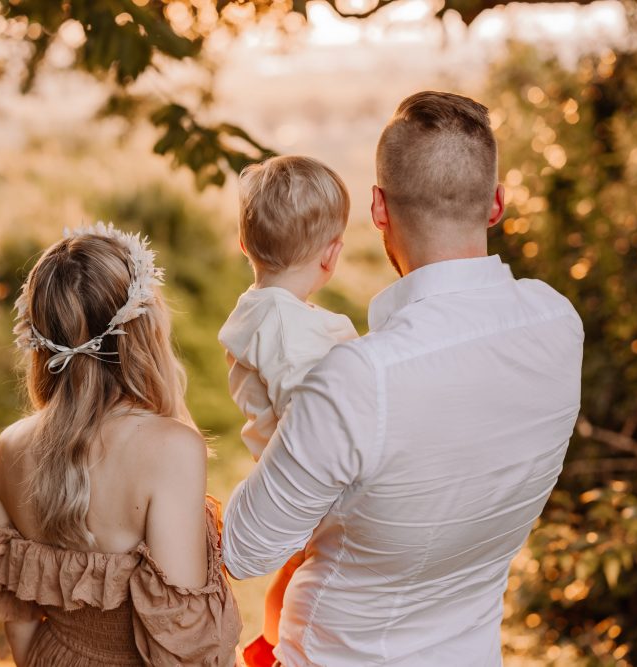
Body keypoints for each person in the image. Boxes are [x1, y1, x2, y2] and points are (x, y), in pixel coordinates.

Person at [221, 91, 585, 666]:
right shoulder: (559, 324)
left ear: (379, 209)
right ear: (495, 204)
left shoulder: (359, 379)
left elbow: (245, 548)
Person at [0, 223, 242, 667]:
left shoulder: (10, 446)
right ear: (144, 329)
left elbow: (17, 619)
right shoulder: (171, 449)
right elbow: (184, 639)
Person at [217, 156, 358, 666]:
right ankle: (273, 654)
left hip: (296, 471)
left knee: (298, 573)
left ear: (244, 243)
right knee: (304, 574)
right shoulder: (284, 330)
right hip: (312, 480)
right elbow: (312, 411)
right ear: (331, 254)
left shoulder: (268, 312)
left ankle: (269, 649)